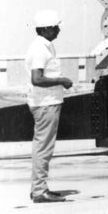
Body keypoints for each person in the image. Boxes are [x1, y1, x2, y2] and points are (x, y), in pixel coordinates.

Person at [26, 10, 74, 203]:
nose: (58, 30)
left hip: (47, 102)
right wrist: (61, 80)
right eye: (55, 27)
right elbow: (36, 79)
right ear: (45, 29)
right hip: (46, 103)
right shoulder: (40, 49)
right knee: (44, 147)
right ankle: (39, 191)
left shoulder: (45, 46)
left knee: (43, 146)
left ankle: (38, 188)